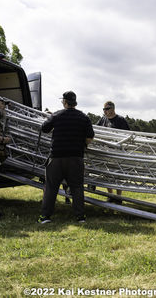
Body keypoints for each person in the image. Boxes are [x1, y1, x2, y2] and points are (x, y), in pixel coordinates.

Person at [38, 91, 94, 224]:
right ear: (75, 103)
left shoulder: (56, 115)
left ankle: (45, 217)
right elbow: (90, 137)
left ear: (65, 102)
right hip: (76, 157)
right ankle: (80, 217)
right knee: (77, 187)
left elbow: (44, 128)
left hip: (57, 157)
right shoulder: (84, 117)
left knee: (51, 187)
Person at [96, 101, 129, 202]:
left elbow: (127, 135)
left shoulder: (121, 120)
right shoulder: (102, 120)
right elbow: (95, 129)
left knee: (118, 175)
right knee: (107, 174)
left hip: (117, 152)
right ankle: (110, 195)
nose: (105, 111)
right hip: (105, 152)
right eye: (104, 109)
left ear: (112, 109)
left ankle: (118, 197)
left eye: (106, 109)